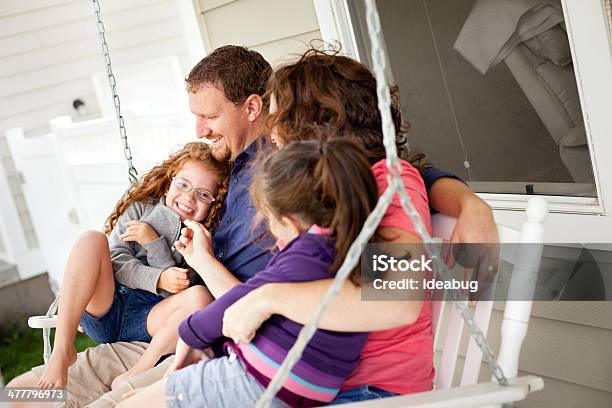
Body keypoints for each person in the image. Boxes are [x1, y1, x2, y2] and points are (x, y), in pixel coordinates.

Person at [8, 45, 496, 408]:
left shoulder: (362, 181)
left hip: (317, 379)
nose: (273, 127)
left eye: (281, 113)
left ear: (315, 124)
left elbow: (400, 291)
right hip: (219, 341)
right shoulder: (283, 175)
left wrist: (468, 201)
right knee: (22, 398)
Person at [220, 48, 497, 403]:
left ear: (316, 125)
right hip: (316, 381)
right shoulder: (337, 190)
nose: (271, 137)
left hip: (369, 393)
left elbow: (397, 301)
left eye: (278, 121)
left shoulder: (387, 182)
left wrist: (269, 299)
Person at [119, 137, 381, 407]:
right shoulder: (357, 239)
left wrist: (190, 333)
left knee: (130, 404)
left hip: (270, 377)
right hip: (318, 386)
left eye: (268, 221)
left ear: (291, 222)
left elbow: (242, 298)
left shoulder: (304, 254)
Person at [36, 142, 229, 391]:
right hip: (108, 304)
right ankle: (63, 349)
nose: (189, 197)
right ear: (171, 180)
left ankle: (138, 370)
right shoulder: (140, 208)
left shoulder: (200, 235)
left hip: (149, 319)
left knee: (200, 297)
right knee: (91, 239)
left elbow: (177, 294)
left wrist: (154, 243)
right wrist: (158, 278)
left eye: (203, 194)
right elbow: (117, 260)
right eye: (183, 184)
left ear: (214, 202)